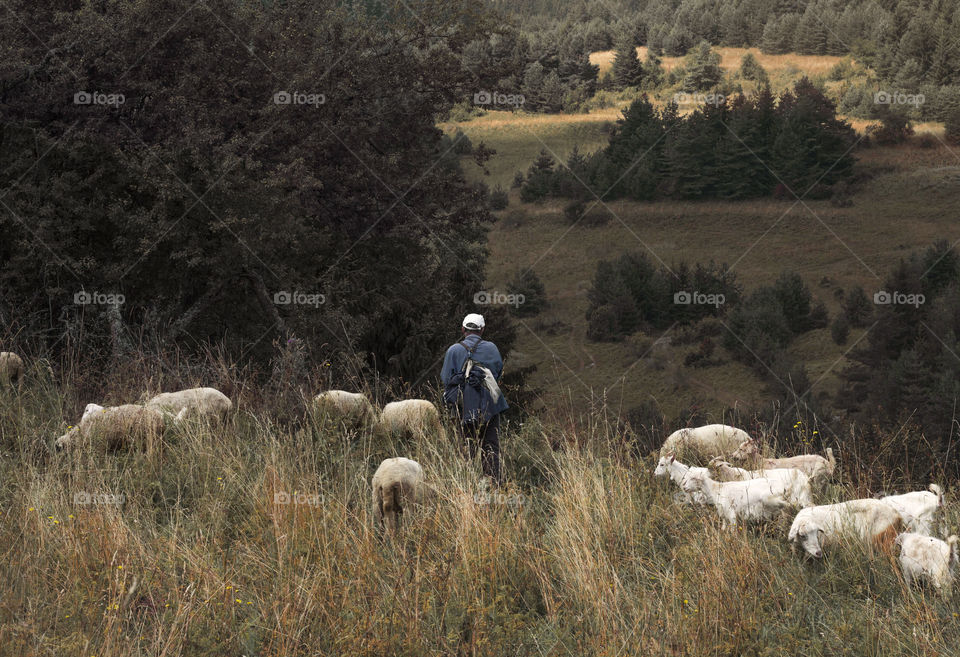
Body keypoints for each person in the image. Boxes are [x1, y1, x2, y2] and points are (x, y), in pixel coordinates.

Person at [441, 313, 508, 485]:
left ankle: (464, 486)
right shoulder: (492, 348)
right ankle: (493, 486)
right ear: (482, 330)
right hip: (489, 407)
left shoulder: (454, 350)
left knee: (464, 448)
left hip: (463, 408)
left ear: (463, 329)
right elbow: (498, 373)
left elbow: (446, 379)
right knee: (491, 448)